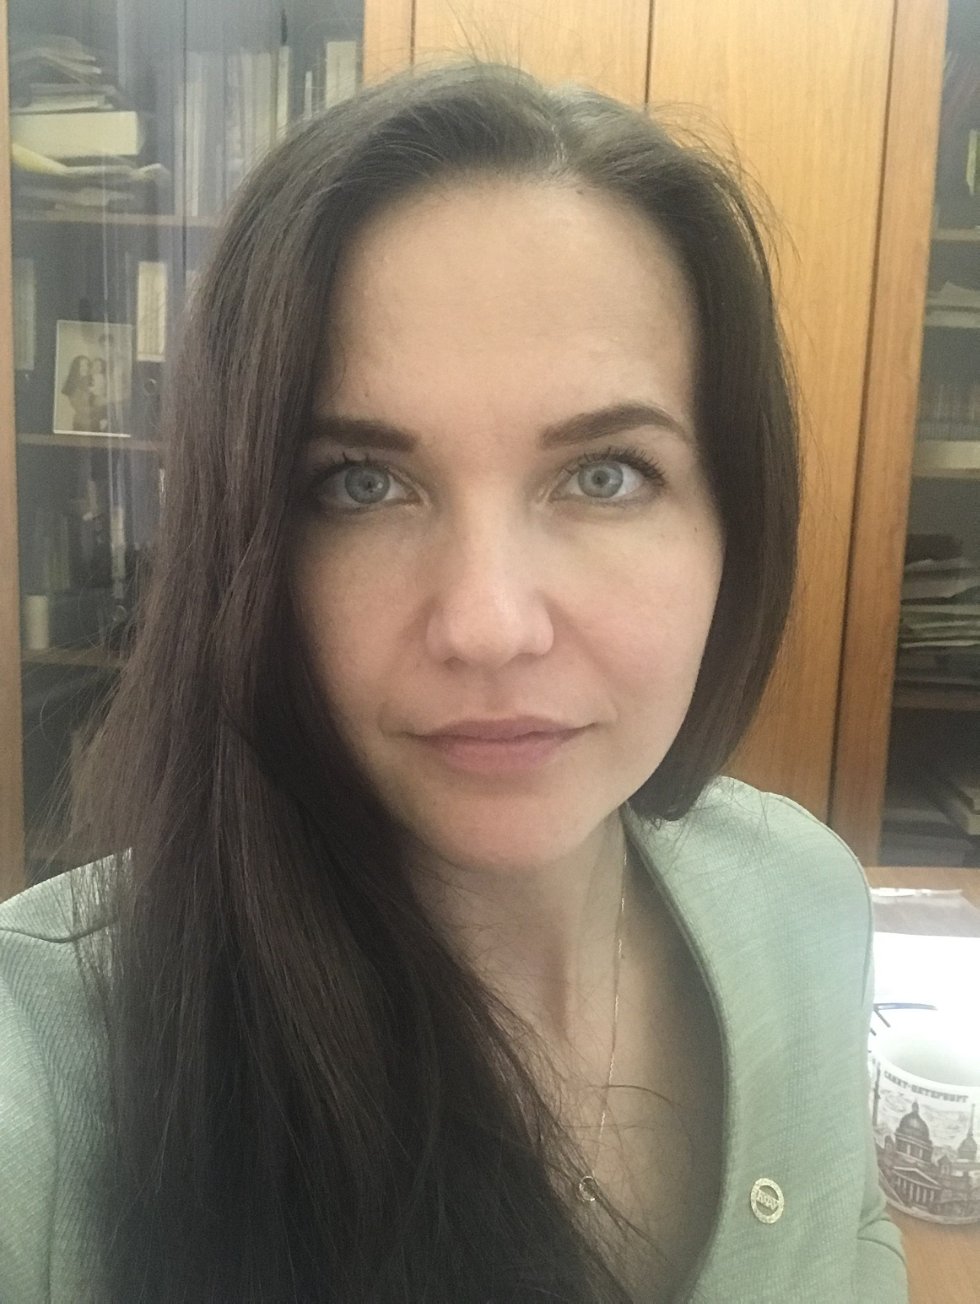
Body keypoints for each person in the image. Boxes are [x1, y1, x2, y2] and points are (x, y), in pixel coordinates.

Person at [0, 60, 908, 1303]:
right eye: (361, 484)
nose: (487, 624)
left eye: (603, 474)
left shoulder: (805, 901)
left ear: (734, 525)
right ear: (242, 542)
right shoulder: (43, 1070)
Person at [60, 353, 94, 431]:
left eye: (87, 365)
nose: (86, 368)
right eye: (82, 365)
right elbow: (79, 407)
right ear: (76, 368)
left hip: (92, 422)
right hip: (81, 423)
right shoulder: (72, 384)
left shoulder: (89, 380)